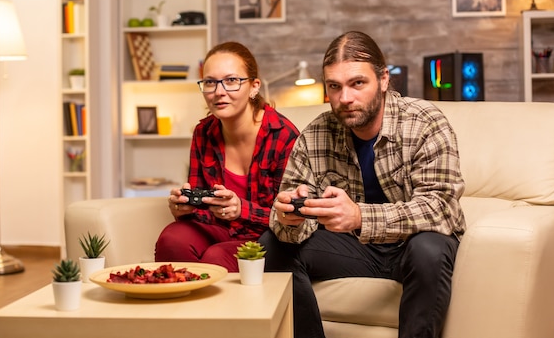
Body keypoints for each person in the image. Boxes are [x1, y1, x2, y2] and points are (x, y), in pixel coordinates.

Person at [259, 31, 467, 338]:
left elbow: (441, 208)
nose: (345, 98)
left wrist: (359, 216)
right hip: (357, 250)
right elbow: (288, 221)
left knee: (429, 248)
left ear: (383, 80)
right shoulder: (316, 134)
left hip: (413, 245)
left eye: (358, 83)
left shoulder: (425, 122)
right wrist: (289, 217)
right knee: (270, 245)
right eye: (334, 87)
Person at [155, 41, 300, 272]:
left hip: (269, 238)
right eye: (210, 82)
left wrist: (242, 209)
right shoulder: (203, 132)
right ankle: (179, 305)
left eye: (231, 81)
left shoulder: (283, 135)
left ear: (254, 87)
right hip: (221, 230)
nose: (219, 92)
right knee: (172, 239)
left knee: (217, 257)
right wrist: (184, 207)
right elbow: (201, 208)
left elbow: (293, 218)